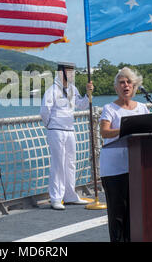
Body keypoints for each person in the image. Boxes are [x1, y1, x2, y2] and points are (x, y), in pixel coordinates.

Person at [99, 67, 149, 242]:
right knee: (117, 214)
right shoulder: (109, 108)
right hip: (114, 169)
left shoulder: (142, 108)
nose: (126, 85)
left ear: (134, 86)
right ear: (116, 87)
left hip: (136, 167)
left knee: (135, 213)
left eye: (129, 82)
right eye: (122, 82)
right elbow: (104, 132)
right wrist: (125, 129)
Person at [40, 62, 94, 210]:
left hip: (70, 129)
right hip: (56, 129)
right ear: (61, 73)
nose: (72, 75)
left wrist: (88, 94)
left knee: (70, 163)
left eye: (72, 72)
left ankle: (70, 195)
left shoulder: (73, 89)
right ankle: (56, 198)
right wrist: (51, 125)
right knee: (58, 164)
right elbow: (45, 111)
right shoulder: (52, 90)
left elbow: (82, 105)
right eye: (69, 72)